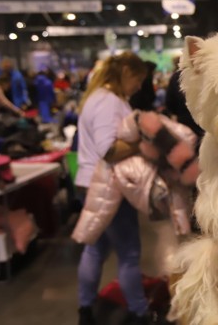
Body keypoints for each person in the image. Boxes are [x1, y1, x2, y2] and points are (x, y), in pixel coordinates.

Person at [75, 51, 152, 325]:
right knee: (129, 253)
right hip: (108, 186)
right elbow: (108, 149)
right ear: (127, 73)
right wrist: (143, 141)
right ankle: (140, 313)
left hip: (91, 183)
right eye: (138, 79)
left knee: (95, 249)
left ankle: (85, 310)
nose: (139, 86)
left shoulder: (98, 98)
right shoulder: (108, 101)